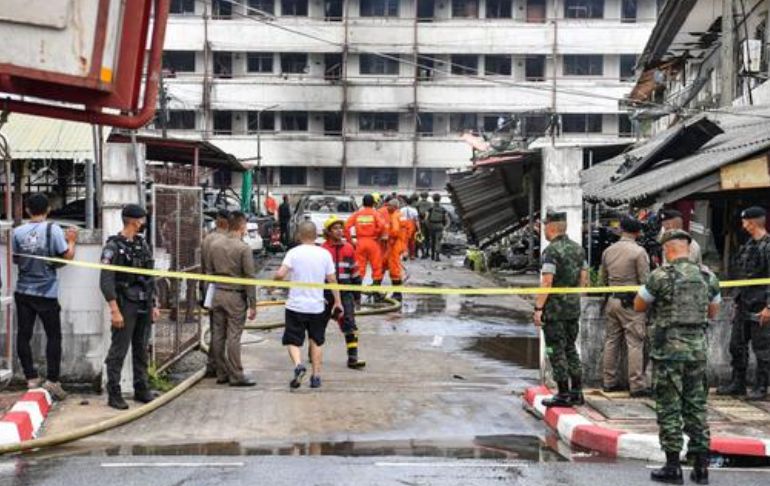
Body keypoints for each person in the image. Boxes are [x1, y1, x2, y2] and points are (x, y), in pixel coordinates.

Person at [634, 229, 721, 485]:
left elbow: (640, 305)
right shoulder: (708, 276)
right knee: (696, 408)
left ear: (667, 249)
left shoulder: (660, 276)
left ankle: (672, 467)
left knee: (669, 408)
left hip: (668, 353)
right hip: (697, 353)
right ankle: (701, 468)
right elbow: (713, 311)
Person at [12, 193, 77, 400]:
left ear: (27, 211)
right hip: (47, 292)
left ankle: (31, 377)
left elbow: (16, 259)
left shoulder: (17, 232)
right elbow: (66, 256)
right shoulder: (54, 230)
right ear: (48, 210)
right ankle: (52, 381)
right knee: (54, 336)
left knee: (24, 334)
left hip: (23, 291)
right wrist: (72, 241)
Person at [100, 204, 159, 410]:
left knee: (142, 348)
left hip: (143, 302)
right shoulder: (113, 247)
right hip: (125, 305)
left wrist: (154, 303)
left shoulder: (142, 245)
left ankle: (141, 388)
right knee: (119, 350)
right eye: (142, 220)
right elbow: (106, 281)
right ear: (135, 221)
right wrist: (114, 310)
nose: (144, 223)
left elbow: (150, 277)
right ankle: (114, 393)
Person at [275, 221, 343, 389]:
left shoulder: (293, 252)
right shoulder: (325, 254)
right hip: (317, 307)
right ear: (316, 235)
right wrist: (338, 302)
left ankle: (298, 365)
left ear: (299, 235)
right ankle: (316, 376)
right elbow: (332, 280)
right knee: (316, 341)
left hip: (296, 305)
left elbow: (280, 274)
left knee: (293, 340)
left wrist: (273, 283)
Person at [533, 210, 588, 408]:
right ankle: (577, 392)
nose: (543, 230)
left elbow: (546, 282)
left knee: (555, 350)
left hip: (554, 311)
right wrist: (573, 298)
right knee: (571, 349)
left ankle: (563, 393)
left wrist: (538, 308)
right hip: (573, 308)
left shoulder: (551, 252)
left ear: (552, 227)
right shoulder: (578, 250)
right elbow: (584, 279)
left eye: (545, 226)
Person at [717, 206, 770, 401]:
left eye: (745, 221)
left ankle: (761, 386)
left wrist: (769, 307)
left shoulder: (767, 246)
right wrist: (736, 301)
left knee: (763, 349)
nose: (743, 225)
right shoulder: (748, 245)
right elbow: (742, 275)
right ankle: (737, 383)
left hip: (761, 304)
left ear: (753, 222)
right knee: (736, 345)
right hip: (744, 303)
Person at [598, 216, 650, 397]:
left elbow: (602, 279)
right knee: (635, 343)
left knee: (612, 341)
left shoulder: (608, 251)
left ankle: (609, 382)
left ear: (621, 230)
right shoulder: (639, 252)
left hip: (612, 301)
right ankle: (636, 386)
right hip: (632, 304)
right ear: (637, 232)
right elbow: (645, 281)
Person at [208, 211, 258, 387]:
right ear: (242, 226)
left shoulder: (215, 245)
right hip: (235, 297)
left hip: (217, 293)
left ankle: (222, 373)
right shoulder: (243, 248)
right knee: (234, 336)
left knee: (218, 335)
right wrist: (253, 304)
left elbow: (210, 270)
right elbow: (249, 276)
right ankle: (236, 374)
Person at [322, 216, 366, 369]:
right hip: (326, 293)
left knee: (350, 324)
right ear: (328, 232)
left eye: (341, 227)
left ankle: (352, 358)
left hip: (346, 291)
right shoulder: (323, 250)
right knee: (319, 324)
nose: (340, 231)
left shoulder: (348, 248)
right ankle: (313, 352)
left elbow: (355, 272)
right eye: (335, 228)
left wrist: (357, 295)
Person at [200, 208, 230, 377]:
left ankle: (212, 363)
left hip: (208, 286)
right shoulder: (227, 240)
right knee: (221, 331)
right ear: (225, 222)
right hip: (224, 288)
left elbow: (203, 266)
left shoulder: (207, 239)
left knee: (214, 326)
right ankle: (221, 367)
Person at [345, 194, 386, 289]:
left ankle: (357, 292)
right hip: (373, 242)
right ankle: (376, 291)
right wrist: (376, 234)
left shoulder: (357, 214)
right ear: (373, 203)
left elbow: (346, 227)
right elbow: (382, 226)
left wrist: (350, 241)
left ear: (362, 203)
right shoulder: (376, 214)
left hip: (360, 242)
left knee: (360, 267)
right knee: (376, 267)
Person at [383, 198, 404, 300]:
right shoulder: (400, 215)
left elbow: (395, 231)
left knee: (394, 268)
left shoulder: (395, 216)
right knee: (390, 264)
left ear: (394, 207)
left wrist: (388, 237)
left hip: (395, 244)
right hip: (399, 243)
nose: (387, 207)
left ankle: (397, 294)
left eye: (389, 206)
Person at [425, 193, 449, 262]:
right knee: (438, 241)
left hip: (432, 225)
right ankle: (437, 256)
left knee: (432, 240)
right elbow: (447, 219)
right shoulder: (443, 209)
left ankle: (432, 255)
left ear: (433, 199)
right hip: (440, 226)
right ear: (440, 199)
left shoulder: (430, 208)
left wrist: (428, 225)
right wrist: (445, 227)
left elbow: (426, 218)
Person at [401, 196, 420, 260]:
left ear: (405, 202)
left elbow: (399, 218)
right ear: (411, 203)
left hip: (404, 225)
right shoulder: (414, 210)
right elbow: (416, 220)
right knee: (412, 241)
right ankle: (412, 255)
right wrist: (419, 229)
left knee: (404, 241)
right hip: (412, 225)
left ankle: (405, 254)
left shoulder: (402, 209)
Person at [415, 192, 432, 259]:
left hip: (420, 222)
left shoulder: (418, 204)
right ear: (427, 196)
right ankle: (427, 252)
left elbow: (416, 214)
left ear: (421, 196)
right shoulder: (430, 204)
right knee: (427, 238)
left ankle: (420, 253)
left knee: (419, 237)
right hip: (428, 223)